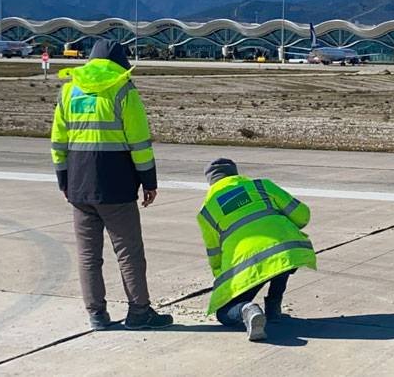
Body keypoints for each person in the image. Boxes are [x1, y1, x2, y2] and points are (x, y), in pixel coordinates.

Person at [50, 39, 173, 330]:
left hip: (79, 185)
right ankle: (139, 312)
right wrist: (149, 182)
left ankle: (96, 314)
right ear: (120, 63)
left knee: (88, 255)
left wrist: (63, 179)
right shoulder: (123, 90)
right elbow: (140, 144)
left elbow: (58, 142)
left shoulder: (69, 90)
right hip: (116, 186)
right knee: (128, 252)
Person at [197, 158, 316, 341]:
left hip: (246, 265)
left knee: (223, 313)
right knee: (280, 257)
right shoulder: (262, 185)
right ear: (235, 174)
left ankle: (247, 309)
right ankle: (274, 307)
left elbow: (214, 253)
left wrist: (224, 281)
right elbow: (302, 215)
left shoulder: (207, 211)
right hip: (285, 251)